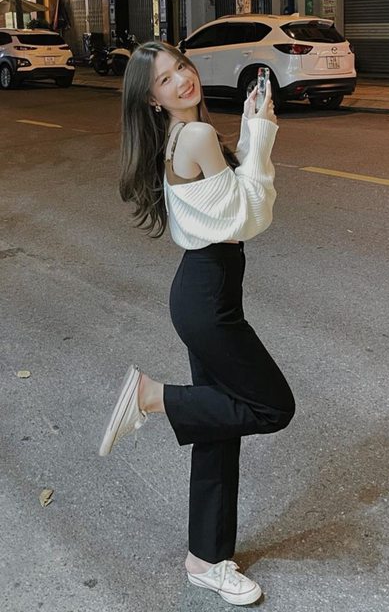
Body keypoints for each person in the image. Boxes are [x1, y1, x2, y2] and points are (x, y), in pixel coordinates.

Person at [99, 41, 295, 606]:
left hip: (202, 294)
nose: (182, 80)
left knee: (219, 427)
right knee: (272, 407)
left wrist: (253, 132)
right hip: (209, 301)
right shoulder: (198, 135)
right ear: (152, 99)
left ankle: (205, 560)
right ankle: (151, 396)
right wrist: (261, 133)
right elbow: (249, 216)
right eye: (164, 80)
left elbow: (231, 206)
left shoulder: (179, 135)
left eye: (180, 67)